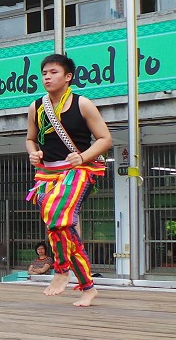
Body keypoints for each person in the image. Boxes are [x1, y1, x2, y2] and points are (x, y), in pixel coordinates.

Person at [26, 54, 112, 307]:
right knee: (62, 229)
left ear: (68, 77)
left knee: (55, 215)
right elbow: (31, 138)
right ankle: (88, 286)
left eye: (53, 72)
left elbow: (105, 139)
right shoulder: (36, 106)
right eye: (44, 73)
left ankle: (61, 269)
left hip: (80, 170)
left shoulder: (82, 104)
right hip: (47, 173)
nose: (47, 77)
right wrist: (33, 152)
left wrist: (82, 156)